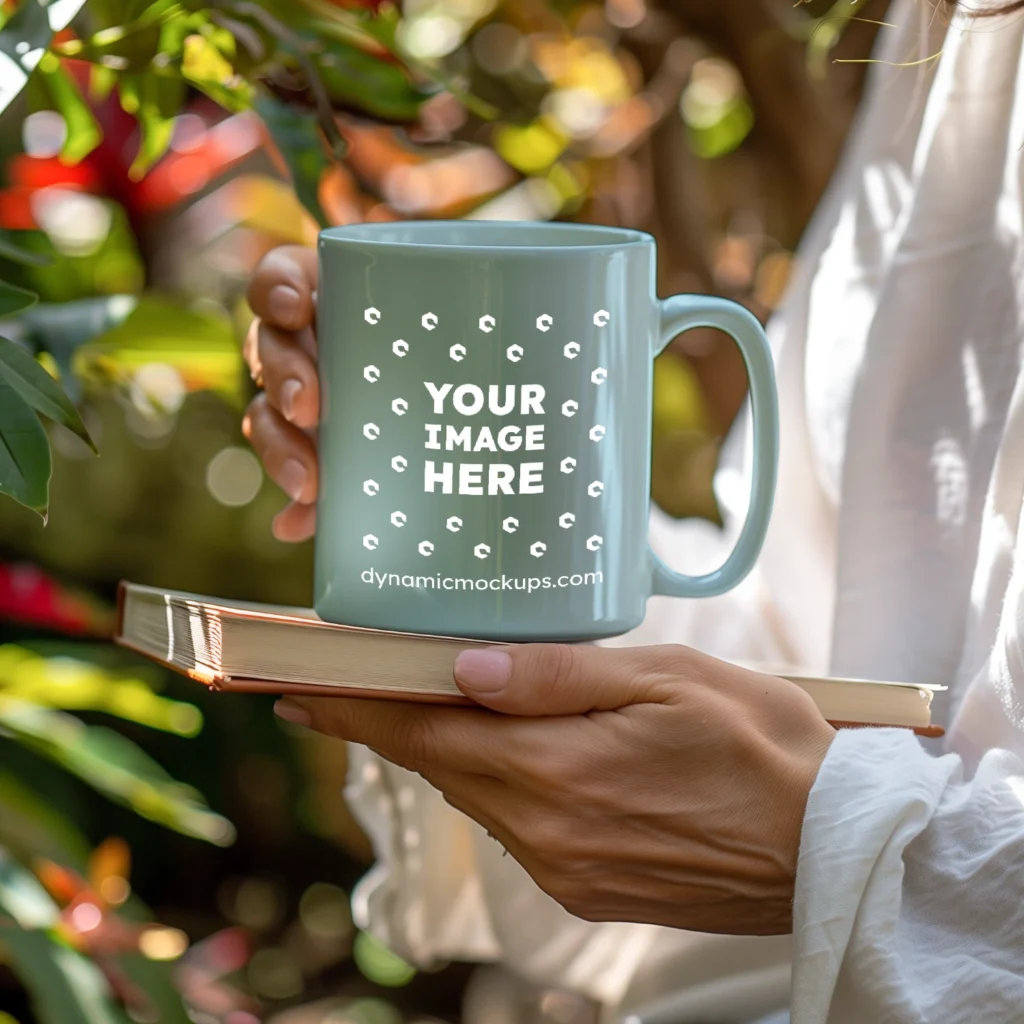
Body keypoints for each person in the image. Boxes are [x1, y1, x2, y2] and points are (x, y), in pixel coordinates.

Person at [241, 1, 1024, 1020]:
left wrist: (841, 848)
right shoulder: (955, 36)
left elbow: (864, 785)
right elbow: (834, 647)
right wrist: (449, 508)